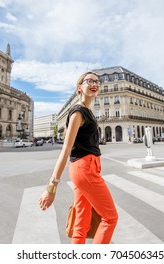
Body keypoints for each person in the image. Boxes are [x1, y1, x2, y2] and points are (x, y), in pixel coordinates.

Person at [38, 72, 118, 244]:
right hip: (85, 169)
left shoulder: (87, 111)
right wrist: (51, 188)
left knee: (81, 222)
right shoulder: (78, 112)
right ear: (79, 87)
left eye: (97, 81)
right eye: (89, 81)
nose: (94, 83)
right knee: (110, 218)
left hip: (86, 168)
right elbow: (66, 150)